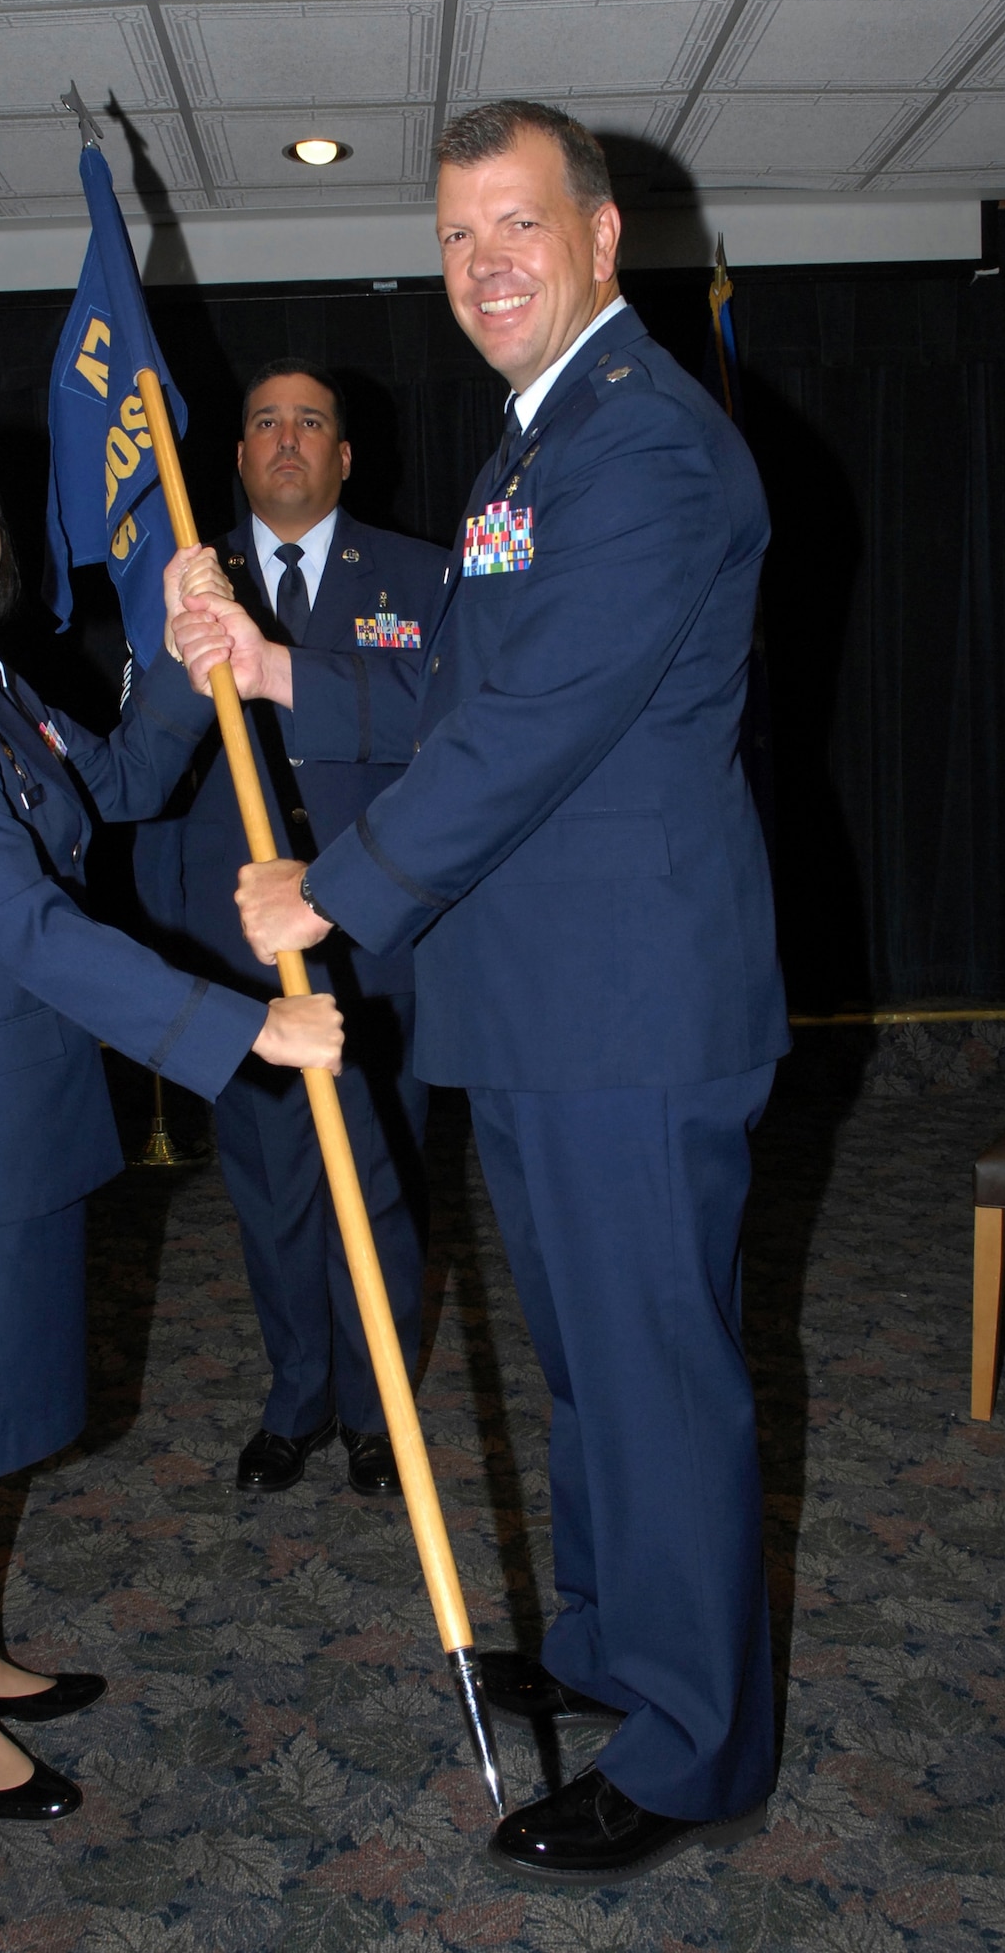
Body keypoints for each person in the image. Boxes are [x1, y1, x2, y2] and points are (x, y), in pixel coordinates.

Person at [223, 103, 791, 1885]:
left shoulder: (641, 450)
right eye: (457, 237)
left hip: (625, 1014)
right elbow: (453, 681)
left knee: (653, 1377)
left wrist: (330, 890)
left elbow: (528, 733)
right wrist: (276, 667)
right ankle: (623, 1654)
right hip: (544, 1013)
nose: (484, 267)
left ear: (602, 238)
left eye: (516, 228)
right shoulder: (524, 456)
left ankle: (696, 1749)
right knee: (586, 1373)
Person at [0, 405, 343, 1824]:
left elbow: (115, 782)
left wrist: (181, 641)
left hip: (11, 1112)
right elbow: (29, 931)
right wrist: (247, 1030)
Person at [129, 360, 446, 1498]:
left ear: (344, 455)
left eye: (310, 421)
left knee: (379, 1181)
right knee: (270, 1189)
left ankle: (374, 1410)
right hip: (243, 950)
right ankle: (295, 1398)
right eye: (262, 420)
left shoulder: (417, 574)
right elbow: (144, 762)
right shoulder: (181, 584)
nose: (285, 438)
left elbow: (450, 742)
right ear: (234, 453)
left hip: (374, 936)